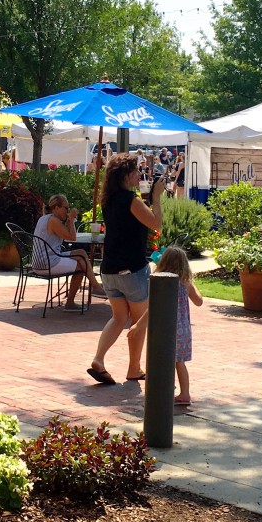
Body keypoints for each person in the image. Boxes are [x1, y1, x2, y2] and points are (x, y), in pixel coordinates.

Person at [88, 154, 165, 385]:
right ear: (127, 175)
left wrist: (147, 199)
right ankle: (134, 368)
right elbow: (156, 224)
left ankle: (99, 359)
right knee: (140, 320)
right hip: (132, 269)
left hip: (109, 269)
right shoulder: (130, 200)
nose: (139, 175)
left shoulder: (108, 200)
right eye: (136, 172)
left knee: (119, 317)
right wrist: (157, 198)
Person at [151, 246, 203, 405]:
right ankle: (184, 393)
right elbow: (199, 302)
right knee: (179, 362)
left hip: (165, 327)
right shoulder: (186, 283)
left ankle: (164, 388)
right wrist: (192, 284)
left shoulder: (159, 280)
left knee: (161, 359)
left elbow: (152, 305)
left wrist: (140, 325)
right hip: (183, 329)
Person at [33, 194, 103, 311]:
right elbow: (72, 237)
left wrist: (69, 219)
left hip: (41, 260)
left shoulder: (44, 218)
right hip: (47, 263)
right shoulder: (53, 221)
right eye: (66, 208)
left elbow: (66, 234)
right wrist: (71, 219)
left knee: (80, 253)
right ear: (56, 208)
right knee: (81, 265)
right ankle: (86, 292)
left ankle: (94, 286)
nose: (67, 211)